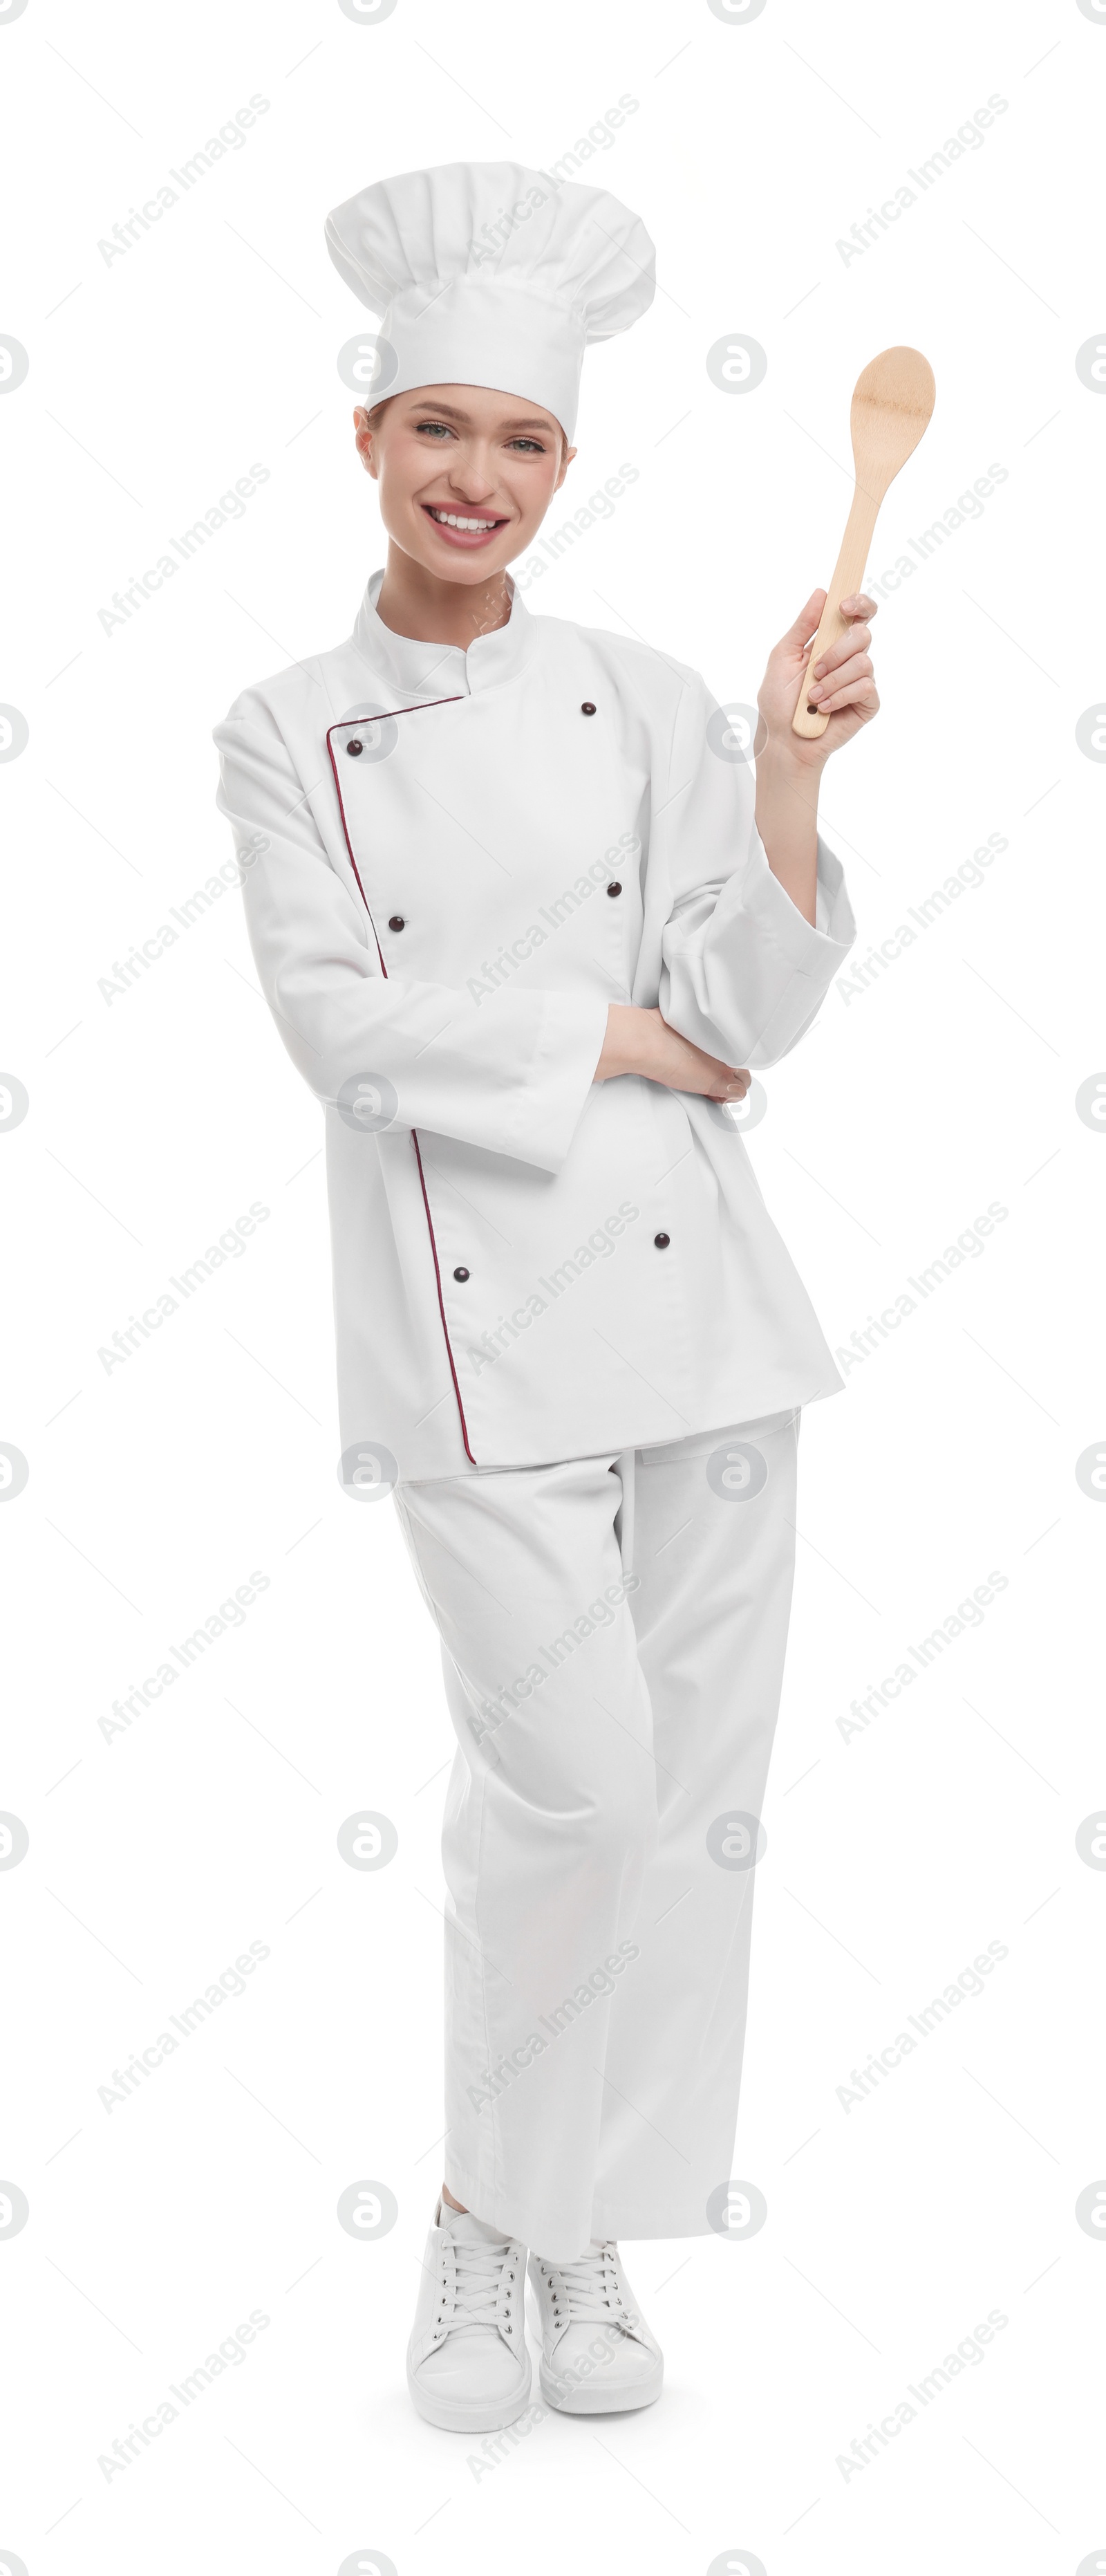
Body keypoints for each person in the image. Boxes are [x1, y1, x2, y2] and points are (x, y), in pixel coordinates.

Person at [214, 160, 878, 2436]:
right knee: (568, 1788)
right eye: (439, 433)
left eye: (522, 443)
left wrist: (787, 775)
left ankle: (577, 2233)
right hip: (472, 1333)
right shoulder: (286, 727)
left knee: (686, 1801)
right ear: (371, 439)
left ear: (567, 466)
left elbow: (752, 1004)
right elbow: (342, 1030)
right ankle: (485, 2218)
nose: (475, 479)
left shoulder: (658, 694)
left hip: (703, 1317)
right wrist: (607, 1035)